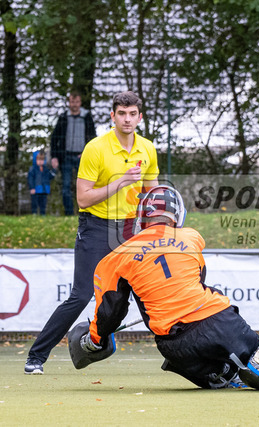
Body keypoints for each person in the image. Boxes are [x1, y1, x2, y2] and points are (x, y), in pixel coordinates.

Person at [67, 185, 259, 392]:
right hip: (223, 323)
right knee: (239, 333)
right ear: (177, 216)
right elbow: (199, 279)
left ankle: (221, 374)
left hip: (177, 345)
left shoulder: (115, 258)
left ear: (141, 219)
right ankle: (258, 352)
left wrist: (94, 340)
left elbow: (110, 313)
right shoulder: (191, 238)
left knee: (188, 360)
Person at [25, 91, 159, 375]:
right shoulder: (95, 148)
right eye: (121, 114)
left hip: (129, 229)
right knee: (82, 294)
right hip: (95, 227)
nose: (127, 119)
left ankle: (180, 352)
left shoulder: (147, 148)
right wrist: (121, 182)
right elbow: (83, 198)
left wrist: (160, 223)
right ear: (113, 116)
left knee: (148, 293)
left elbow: (153, 194)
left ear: (140, 117)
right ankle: (36, 356)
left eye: (132, 114)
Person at [50, 91, 97, 216]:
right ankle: (69, 214)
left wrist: (87, 152)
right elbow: (55, 137)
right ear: (69, 103)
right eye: (72, 102)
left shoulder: (86, 117)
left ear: (80, 102)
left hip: (83, 157)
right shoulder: (63, 117)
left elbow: (93, 137)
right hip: (66, 157)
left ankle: (86, 213)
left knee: (86, 187)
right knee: (66, 187)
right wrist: (54, 156)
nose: (74, 104)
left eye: (76, 102)